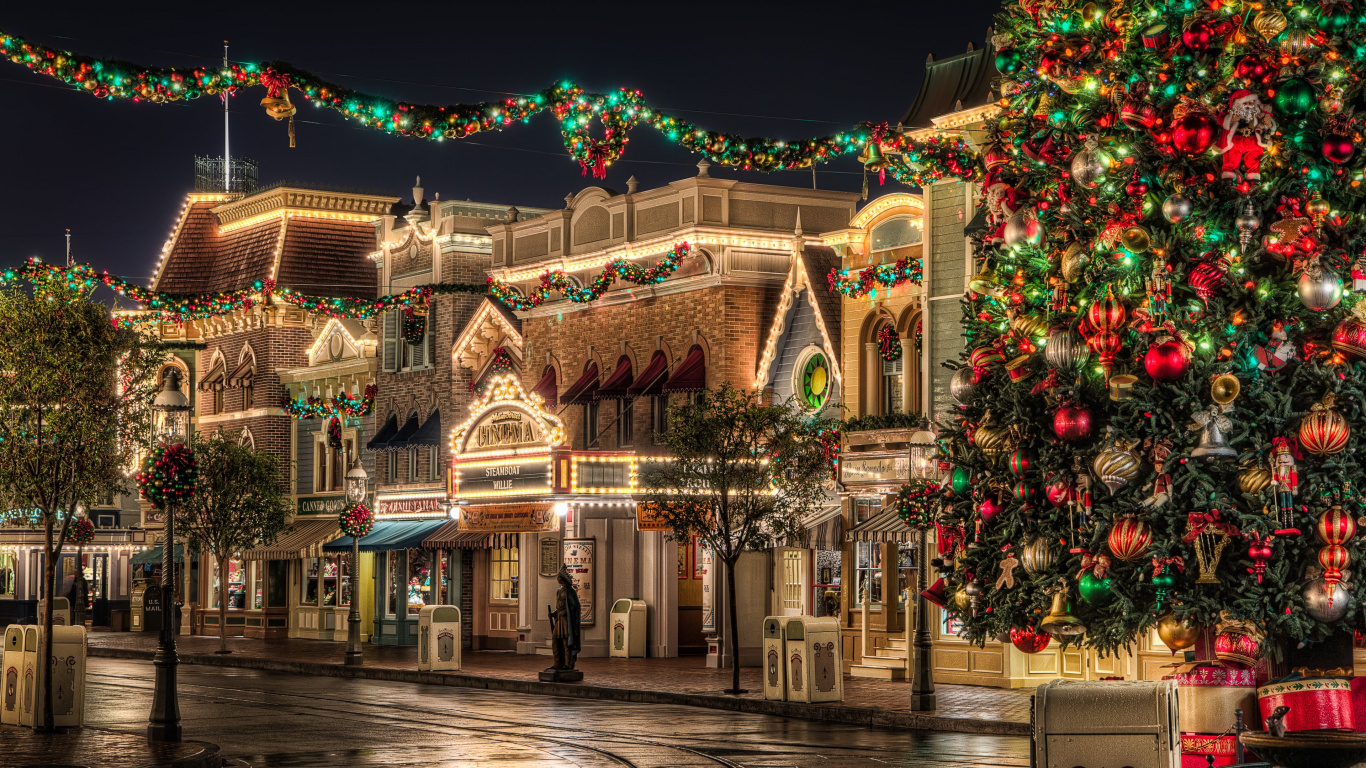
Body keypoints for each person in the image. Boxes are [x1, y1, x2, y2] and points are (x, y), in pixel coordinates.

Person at [548, 565, 581, 671]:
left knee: (566, 642)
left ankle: (567, 664)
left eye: (559, 576)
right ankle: (557, 663)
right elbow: (560, 606)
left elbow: (575, 606)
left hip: (567, 621)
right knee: (555, 641)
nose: (557, 578)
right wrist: (554, 613)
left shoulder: (570, 591)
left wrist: (565, 612)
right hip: (559, 620)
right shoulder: (559, 591)